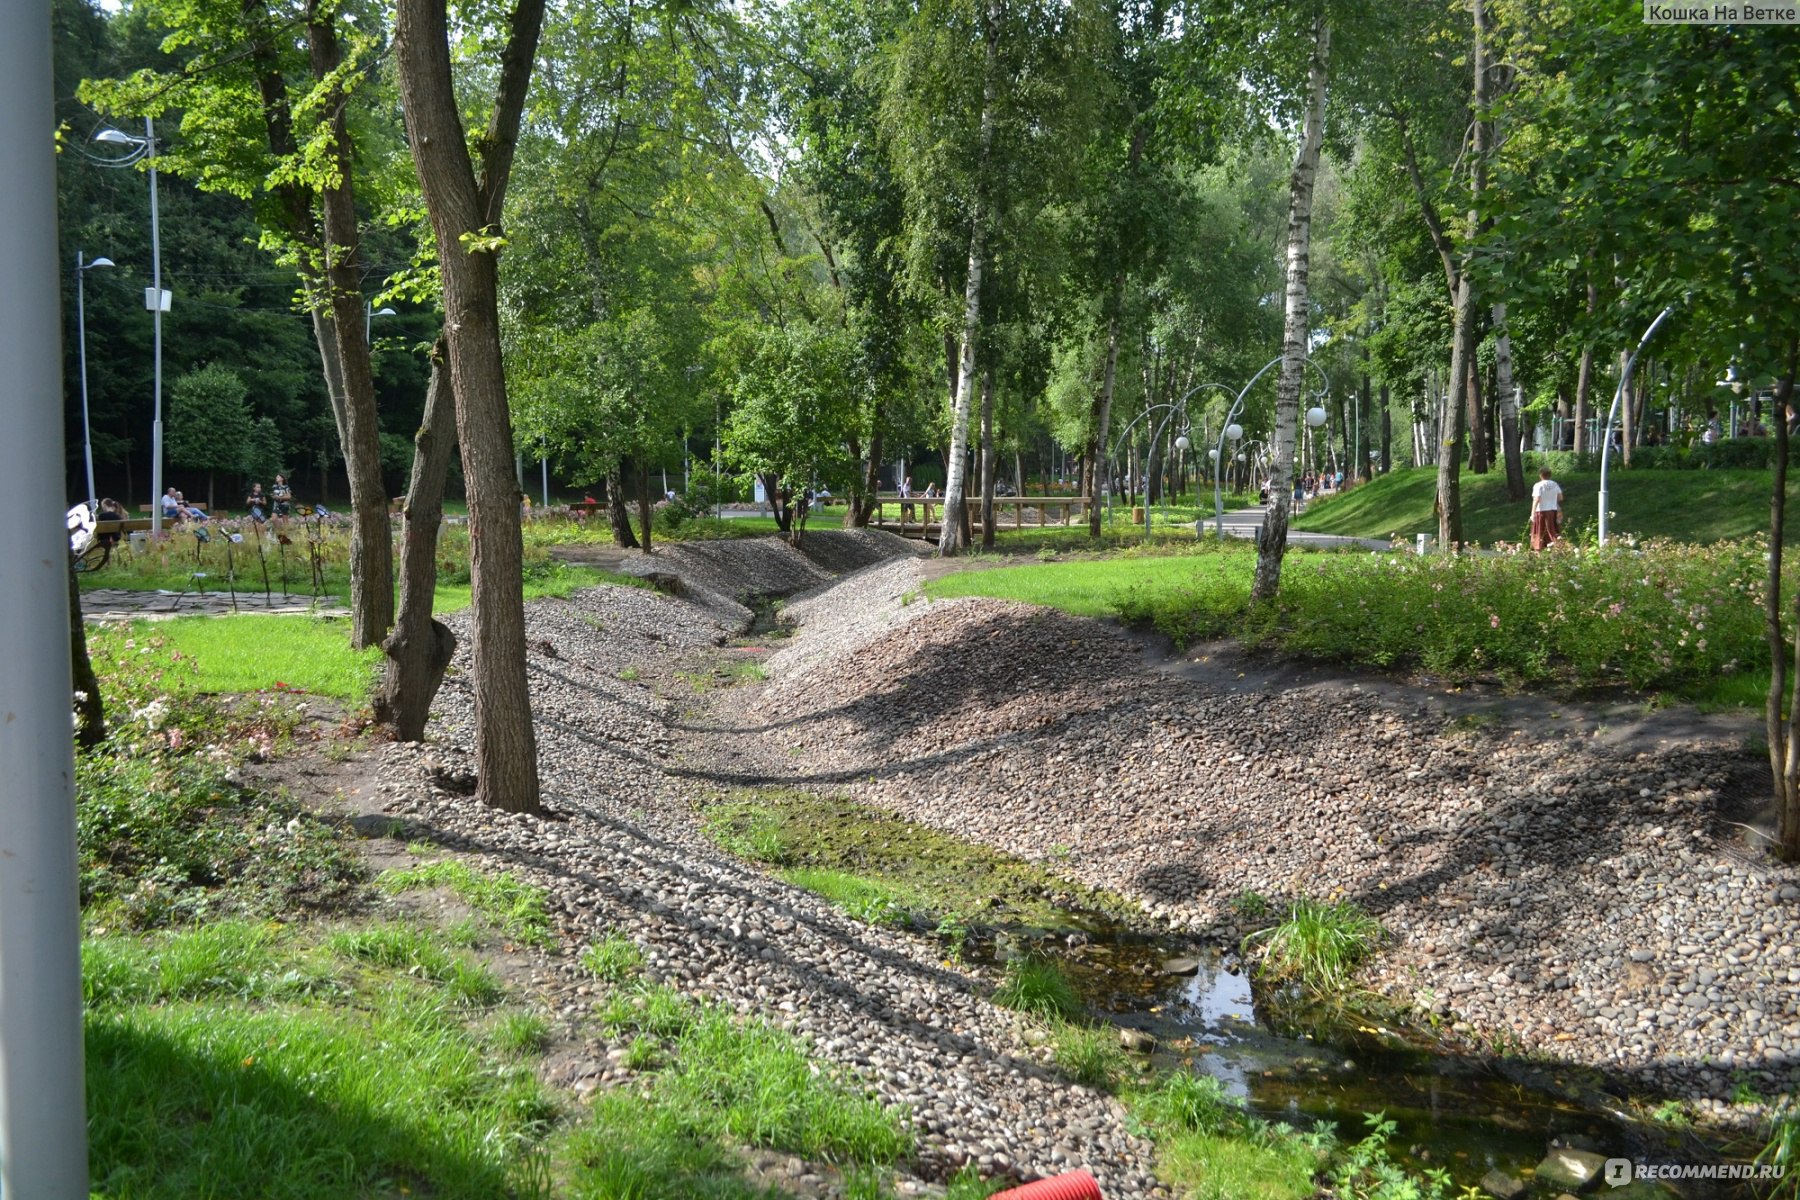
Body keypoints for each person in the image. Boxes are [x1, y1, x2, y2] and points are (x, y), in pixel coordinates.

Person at [1530, 466, 1563, 551]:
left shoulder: (1538, 485)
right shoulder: (1555, 484)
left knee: (1540, 531)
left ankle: (1539, 548)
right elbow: (1560, 498)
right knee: (1552, 529)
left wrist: (1532, 513)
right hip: (1552, 510)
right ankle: (1556, 546)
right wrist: (1551, 498)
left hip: (1541, 511)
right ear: (1550, 475)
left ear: (1540, 475)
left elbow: (1536, 499)